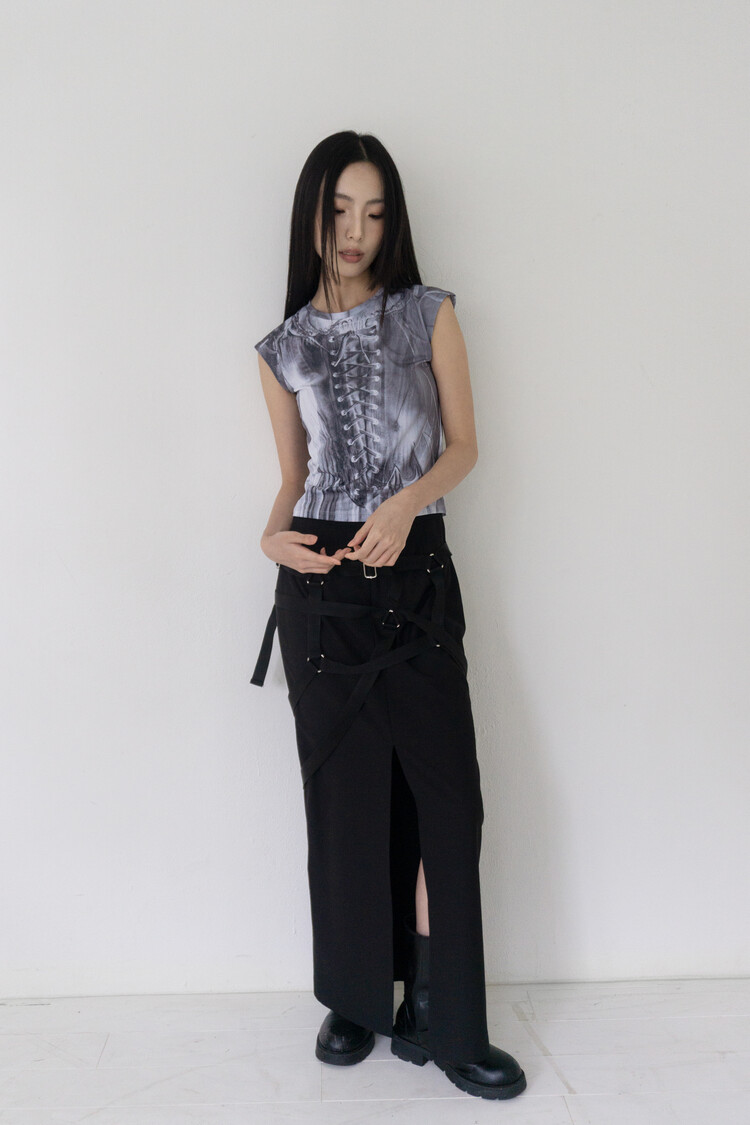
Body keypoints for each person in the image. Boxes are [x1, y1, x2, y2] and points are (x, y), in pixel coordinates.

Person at [250, 130, 526, 1101]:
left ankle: (444, 1013)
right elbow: (293, 477)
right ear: (313, 215)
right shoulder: (281, 347)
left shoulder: (428, 313)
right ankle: (356, 998)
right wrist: (269, 538)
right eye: (339, 210)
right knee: (345, 799)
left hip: (415, 575)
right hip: (322, 588)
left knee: (447, 798)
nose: (356, 230)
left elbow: (465, 446)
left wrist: (407, 504)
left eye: (373, 212)